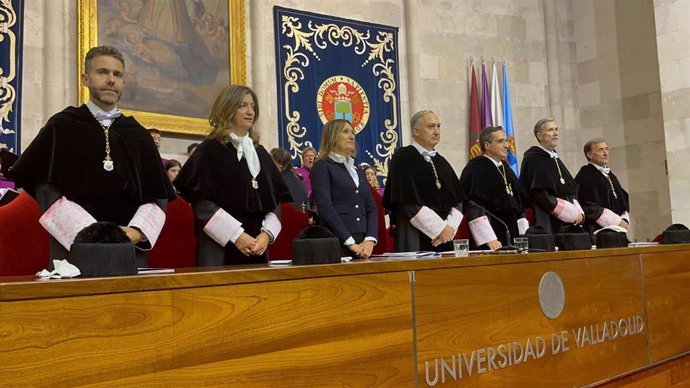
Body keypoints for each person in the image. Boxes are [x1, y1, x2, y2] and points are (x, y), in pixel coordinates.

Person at [9, 45, 175, 266]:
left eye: (117, 75)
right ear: (85, 79)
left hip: (129, 250)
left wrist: (136, 231)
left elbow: (158, 195)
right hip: (74, 246)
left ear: (123, 82)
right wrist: (90, 232)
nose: (111, 80)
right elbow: (44, 186)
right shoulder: (62, 125)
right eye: (102, 72)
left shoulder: (138, 134)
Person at [174, 85, 292, 266]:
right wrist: (235, 235)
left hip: (257, 247)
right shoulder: (210, 149)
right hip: (219, 248)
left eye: (253, 106)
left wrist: (266, 235)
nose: (250, 111)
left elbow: (274, 199)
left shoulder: (259, 152)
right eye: (242, 105)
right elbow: (201, 203)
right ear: (227, 109)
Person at [382, 110, 464, 252]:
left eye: (438, 126)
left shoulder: (441, 161)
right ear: (416, 131)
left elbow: (458, 199)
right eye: (431, 126)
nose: (437, 131)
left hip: (446, 237)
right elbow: (407, 202)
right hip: (415, 234)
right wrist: (439, 229)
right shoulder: (403, 158)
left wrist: (449, 228)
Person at [311, 119, 378, 258]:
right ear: (333, 136)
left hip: (363, 243)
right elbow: (325, 207)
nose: (352, 136)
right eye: (345, 131)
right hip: (337, 241)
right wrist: (350, 242)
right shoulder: (322, 166)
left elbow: (370, 206)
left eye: (353, 132)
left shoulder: (357, 169)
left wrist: (370, 239)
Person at [459, 127, 530, 250]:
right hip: (491, 236)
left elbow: (519, 203)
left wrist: (524, 235)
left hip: (513, 234)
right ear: (487, 145)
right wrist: (489, 239)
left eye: (506, 141)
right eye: (500, 141)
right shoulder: (476, 169)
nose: (507, 145)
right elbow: (474, 205)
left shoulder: (506, 169)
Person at [520, 118, 584, 234]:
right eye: (550, 130)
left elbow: (570, 189)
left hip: (568, 222)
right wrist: (569, 213)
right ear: (540, 136)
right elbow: (539, 194)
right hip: (546, 220)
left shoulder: (554, 158)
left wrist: (578, 212)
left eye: (556, 129)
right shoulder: (533, 159)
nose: (555, 133)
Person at [575, 138, 630, 238]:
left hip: (617, 230)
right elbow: (586, 204)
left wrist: (624, 219)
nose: (605, 153)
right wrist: (615, 221)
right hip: (597, 231)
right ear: (589, 155)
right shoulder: (586, 175)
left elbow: (622, 199)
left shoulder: (610, 175)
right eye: (600, 150)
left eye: (606, 149)